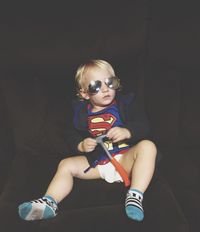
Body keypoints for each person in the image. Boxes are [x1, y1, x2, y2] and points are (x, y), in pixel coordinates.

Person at [18, 59, 157, 222]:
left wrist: (127, 131)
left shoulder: (126, 104)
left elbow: (144, 125)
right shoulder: (81, 113)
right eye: (96, 86)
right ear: (84, 93)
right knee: (66, 164)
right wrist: (81, 145)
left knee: (148, 146)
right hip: (97, 162)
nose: (105, 89)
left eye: (110, 82)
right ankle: (49, 202)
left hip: (127, 159)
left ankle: (135, 196)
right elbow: (71, 135)